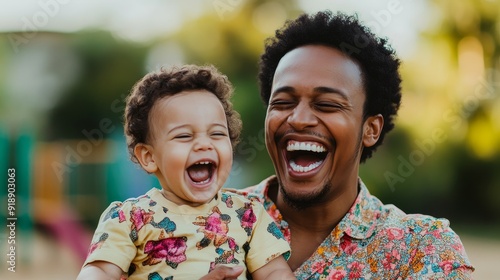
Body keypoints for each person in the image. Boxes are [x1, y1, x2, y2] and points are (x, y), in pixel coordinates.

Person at [207, 10, 475, 279]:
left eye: (326, 105)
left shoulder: (421, 250)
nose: (298, 119)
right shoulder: (210, 215)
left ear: (370, 129)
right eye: (283, 103)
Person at [77, 64, 295, 280]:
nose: (204, 144)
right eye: (184, 136)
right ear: (149, 157)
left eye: (217, 133)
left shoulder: (248, 215)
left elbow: (274, 272)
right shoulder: (129, 218)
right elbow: (101, 272)